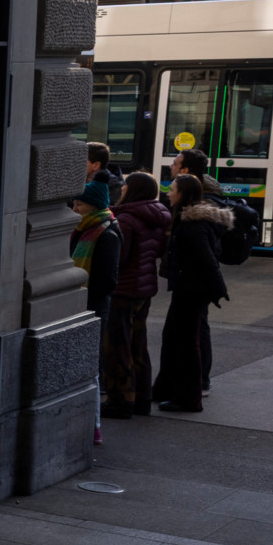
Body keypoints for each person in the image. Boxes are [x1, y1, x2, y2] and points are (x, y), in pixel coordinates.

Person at [154, 174, 232, 413]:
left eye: (172, 189)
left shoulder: (193, 225)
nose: (168, 193)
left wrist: (218, 289)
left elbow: (206, 260)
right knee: (178, 339)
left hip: (191, 290)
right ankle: (172, 390)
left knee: (187, 344)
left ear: (183, 194)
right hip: (190, 288)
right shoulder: (192, 220)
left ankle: (188, 399)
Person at [102, 171, 170, 419]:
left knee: (118, 347)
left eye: (125, 186)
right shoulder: (158, 215)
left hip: (123, 289)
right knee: (138, 345)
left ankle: (120, 401)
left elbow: (119, 259)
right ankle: (142, 399)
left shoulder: (127, 220)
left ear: (132, 190)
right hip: (144, 288)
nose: (122, 189)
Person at [169, 146, 230, 394]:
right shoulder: (202, 199)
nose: (171, 167)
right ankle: (182, 383)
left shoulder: (195, 214)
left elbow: (205, 257)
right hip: (191, 282)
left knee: (192, 333)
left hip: (192, 283)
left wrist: (218, 289)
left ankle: (196, 385)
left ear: (185, 171)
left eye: (175, 163)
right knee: (188, 331)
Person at [68, 180, 122, 446]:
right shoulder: (82, 229)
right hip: (80, 304)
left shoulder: (106, 234)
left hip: (92, 307)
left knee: (89, 368)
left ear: (95, 206)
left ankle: (93, 427)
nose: (75, 208)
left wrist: (85, 297)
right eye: (75, 203)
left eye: (80, 204)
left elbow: (108, 281)